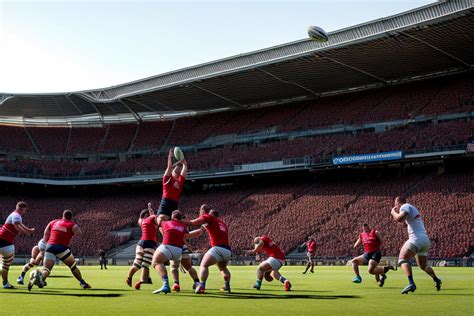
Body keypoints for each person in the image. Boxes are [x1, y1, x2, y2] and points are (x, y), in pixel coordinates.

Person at [28, 210, 91, 291]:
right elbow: (79, 234)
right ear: (71, 217)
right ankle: (83, 283)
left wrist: (46, 241)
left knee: (46, 269)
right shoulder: (72, 224)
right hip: (61, 248)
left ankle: (41, 280)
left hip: (49, 246)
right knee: (72, 266)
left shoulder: (53, 222)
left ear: (63, 216)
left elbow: (46, 232)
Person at [391, 196, 442, 294]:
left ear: (398, 202)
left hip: (416, 239)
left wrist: (393, 212)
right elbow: (405, 222)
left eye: (395, 204)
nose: (395, 206)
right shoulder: (411, 208)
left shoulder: (405, 206)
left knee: (402, 259)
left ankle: (411, 283)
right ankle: (436, 279)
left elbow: (399, 219)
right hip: (425, 240)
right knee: (423, 266)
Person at [151, 210, 203, 294]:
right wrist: (201, 230)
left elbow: (157, 219)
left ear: (173, 217)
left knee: (156, 262)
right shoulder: (183, 226)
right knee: (189, 267)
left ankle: (167, 284)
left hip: (168, 247)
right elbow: (186, 236)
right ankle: (197, 283)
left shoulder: (166, 223)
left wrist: (154, 213)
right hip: (180, 249)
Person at [183, 206, 232, 294]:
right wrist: (185, 236)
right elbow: (200, 232)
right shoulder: (222, 223)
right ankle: (227, 285)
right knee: (223, 268)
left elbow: (193, 222)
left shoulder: (208, 217)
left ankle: (202, 286)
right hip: (227, 250)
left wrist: (178, 221)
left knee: (204, 265)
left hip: (218, 248)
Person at [0, 201, 35, 289]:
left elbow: (20, 225)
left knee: (4, 265)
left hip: (3, 240)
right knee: (5, 265)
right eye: (24, 210)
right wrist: (28, 232)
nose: (24, 212)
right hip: (6, 242)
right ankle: (5, 283)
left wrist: (29, 231)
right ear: (20, 208)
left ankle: (5, 283)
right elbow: (17, 226)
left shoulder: (15, 216)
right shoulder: (16, 215)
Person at [127, 203, 157, 290]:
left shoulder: (142, 221)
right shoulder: (153, 220)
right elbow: (154, 216)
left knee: (137, 263)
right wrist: (150, 209)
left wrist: (147, 210)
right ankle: (142, 281)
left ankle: (130, 277)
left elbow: (141, 217)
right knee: (145, 264)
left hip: (140, 243)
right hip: (150, 244)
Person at [157, 148, 188, 221]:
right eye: (176, 169)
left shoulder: (180, 180)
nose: (178, 170)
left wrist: (183, 160)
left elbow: (185, 166)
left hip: (175, 205)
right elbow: (169, 167)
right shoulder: (167, 179)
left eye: (179, 169)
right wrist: (170, 157)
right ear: (172, 171)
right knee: (161, 220)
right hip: (165, 203)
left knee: (177, 223)